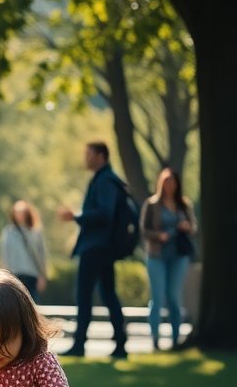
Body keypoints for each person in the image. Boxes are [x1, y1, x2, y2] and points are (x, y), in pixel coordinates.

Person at [56, 141, 128, 359]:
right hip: (102, 246)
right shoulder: (105, 178)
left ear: (100, 156)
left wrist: (76, 216)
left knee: (85, 295)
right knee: (108, 294)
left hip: (96, 246)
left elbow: (105, 213)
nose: (85, 158)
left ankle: (80, 345)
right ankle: (120, 345)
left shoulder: (105, 180)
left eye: (89, 154)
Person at [140, 167, 197, 351]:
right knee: (157, 297)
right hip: (157, 255)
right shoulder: (152, 204)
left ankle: (175, 339)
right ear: (161, 184)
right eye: (166, 182)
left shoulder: (184, 205)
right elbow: (144, 230)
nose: (169, 185)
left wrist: (187, 226)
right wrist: (158, 235)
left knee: (174, 297)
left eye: (172, 181)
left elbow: (193, 227)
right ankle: (155, 338)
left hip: (178, 256)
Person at [0, 200, 48, 303]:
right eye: (17, 212)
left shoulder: (35, 232)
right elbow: (4, 255)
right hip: (14, 275)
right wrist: (3, 274)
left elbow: (42, 255)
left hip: (32, 275)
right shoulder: (8, 232)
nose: (19, 215)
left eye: (21, 212)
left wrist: (42, 276)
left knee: (32, 305)